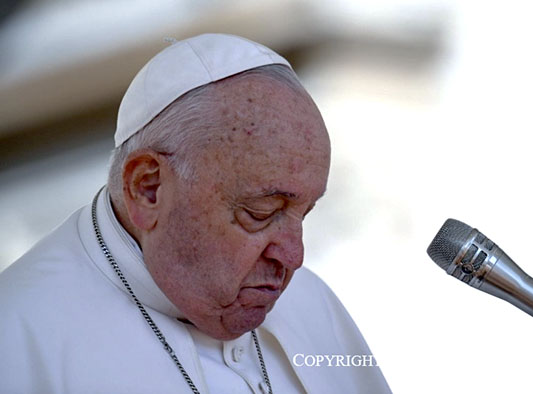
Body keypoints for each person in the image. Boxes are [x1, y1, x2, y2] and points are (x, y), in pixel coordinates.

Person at [0, 33, 391, 393]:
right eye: (261, 212)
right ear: (148, 188)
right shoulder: (17, 336)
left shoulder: (311, 304)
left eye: (304, 213)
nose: (294, 257)